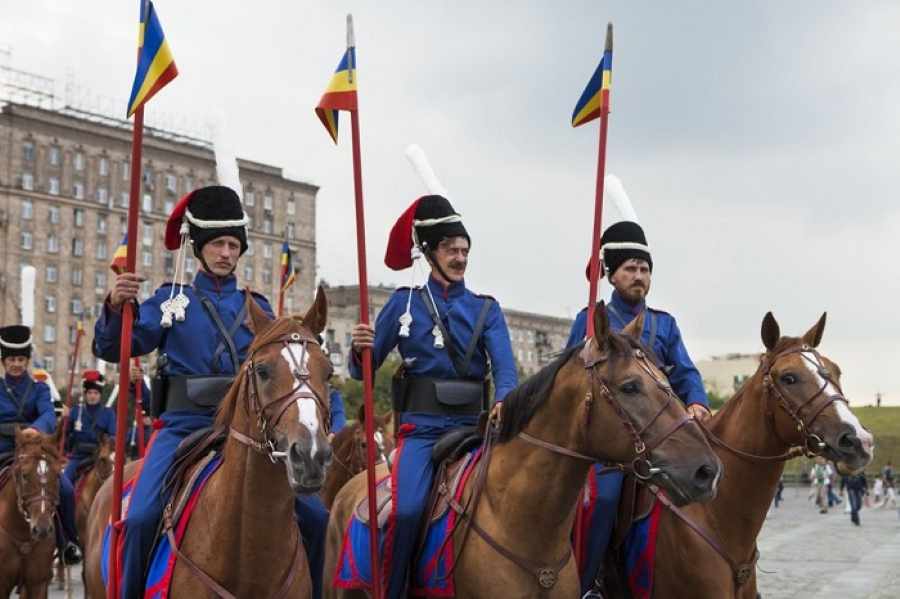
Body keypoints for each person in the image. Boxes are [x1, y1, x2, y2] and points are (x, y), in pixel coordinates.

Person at [93, 185, 327, 598]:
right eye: (217, 243)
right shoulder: (171, 300)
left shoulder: (259, 310)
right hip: (182, 427)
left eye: (233, 245)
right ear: (199, 248)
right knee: (142, 516)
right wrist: (116, 306)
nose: (226, 253)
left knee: (317, 517)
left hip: (246, 433)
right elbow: (114, 348)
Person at [349, 194, 517, 598]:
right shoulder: (402, 303)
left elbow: (505, 368)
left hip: (475, 430)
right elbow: (361, 372)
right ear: (428, 253)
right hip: (422, 432)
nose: (460, 258)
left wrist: (504, 399)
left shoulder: (486, 310)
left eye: (464, 251)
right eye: (450, 250)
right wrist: (359, 348)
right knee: (406, 511)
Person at [565, 221, 712, 596]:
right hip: (610, 444)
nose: (639, 276)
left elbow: (685, 371)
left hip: (660, 436)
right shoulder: (589, 321)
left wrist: (697, 401)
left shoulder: (664, 324)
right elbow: (568, 380)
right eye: (630, 268)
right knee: (603, 499)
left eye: (645, 269)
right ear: (612, 275)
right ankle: (586, 585)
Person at [0, 325, 82, 564]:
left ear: (27, 362)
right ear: (4, 362)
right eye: (12, 359)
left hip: (34, 451)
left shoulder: (40, 389)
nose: (17, 364)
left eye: (21, 360)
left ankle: (68, 543)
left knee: (66, 490)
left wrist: (34, 429)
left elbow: (47, 414)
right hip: (3, 449)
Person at [63, 370, 116, 481]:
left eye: (96, 393)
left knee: (113, 480)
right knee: (64, 482)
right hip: (78, 456)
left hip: (99, 456)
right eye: (90, 393)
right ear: (85, 394)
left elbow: (113, 435)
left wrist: (107, 448)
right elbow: (65, 433)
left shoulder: (108, 414)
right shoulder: (75, 411)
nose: (93, 396)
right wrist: (65, 419)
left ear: (100, 395)